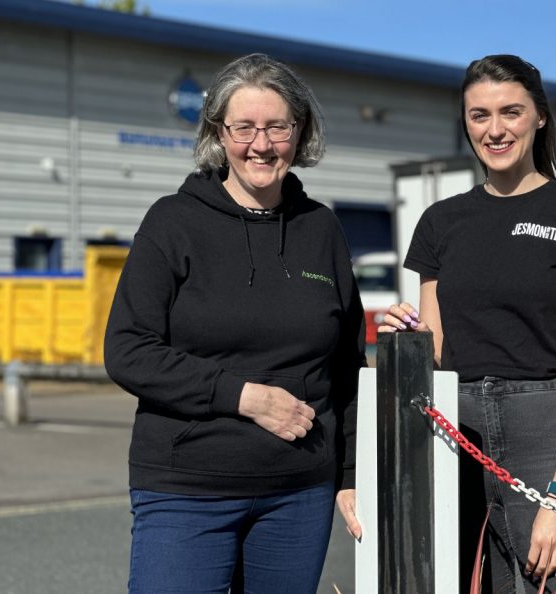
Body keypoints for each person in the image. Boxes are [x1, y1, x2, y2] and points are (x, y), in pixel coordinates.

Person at [104, 53, 365, 594]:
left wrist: (351, 475)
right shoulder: (172, 223)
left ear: (300, 132)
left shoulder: (322, 229)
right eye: (243, 127)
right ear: (218, 135)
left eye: (277, 127)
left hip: (298, 493)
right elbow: (128, 349)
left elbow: (346, 366)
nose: (261, 145)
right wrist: (244, 397)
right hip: (186, 488)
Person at [381, 55, 556, 593]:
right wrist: (408, 338)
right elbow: (436, 353)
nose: (495, 130)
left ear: (539, 117)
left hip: (546, 440)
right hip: (456, 439)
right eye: (479, 115)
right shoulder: (440, 222)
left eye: (510, 112)